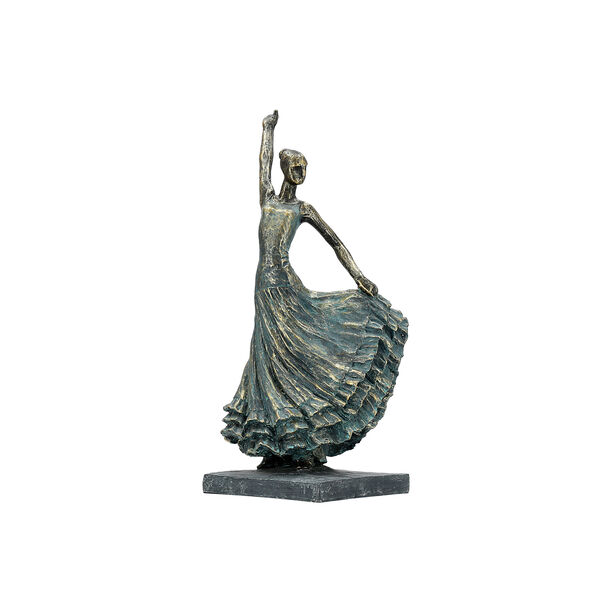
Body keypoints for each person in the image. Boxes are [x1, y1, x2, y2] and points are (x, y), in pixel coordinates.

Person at [221, 111, 408, 468]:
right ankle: (276, 441)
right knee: (268, 356)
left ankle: (305, 437)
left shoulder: (302, 209)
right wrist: (267, 130)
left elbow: (335, 242)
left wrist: (359, 277)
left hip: (286, 287)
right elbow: (262, 165)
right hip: (264, 288)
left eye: (304, 168)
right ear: (285, 169)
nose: (300, 173)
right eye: (295, 167)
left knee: (297, 352)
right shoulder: (268, 199)